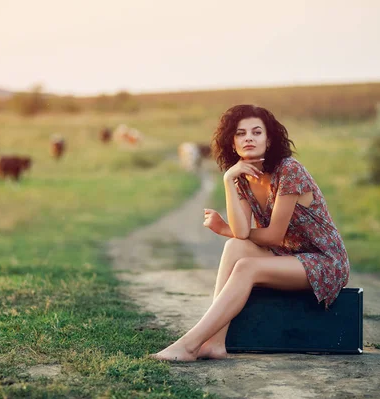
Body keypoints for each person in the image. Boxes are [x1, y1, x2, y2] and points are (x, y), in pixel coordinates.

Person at [150, 104, 350, 362]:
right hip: (288, 256)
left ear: (269, 140)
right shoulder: (241, 177)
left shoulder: (289, 170)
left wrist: (224, 229)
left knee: (247, 267)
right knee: (234, 248)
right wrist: (228, 180)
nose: (249, 138)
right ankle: (215, 344)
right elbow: (241, 233)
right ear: (232, 143)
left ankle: (189, 345)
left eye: (257, 132)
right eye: (241, 133)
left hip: (323, 261)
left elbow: (274, 236)